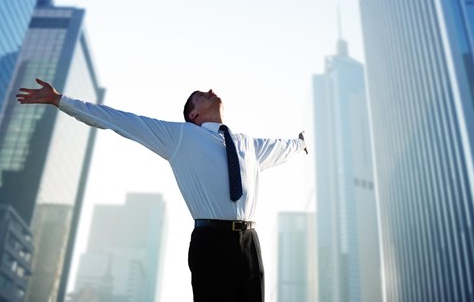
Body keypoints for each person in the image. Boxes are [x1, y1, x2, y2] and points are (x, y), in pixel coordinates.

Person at [16, 78, 308, 302]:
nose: (208, 90)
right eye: (199, 96)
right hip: (211, 241)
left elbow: (284, 148)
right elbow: (118, 120)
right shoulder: (179, 137)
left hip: (249, 243)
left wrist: (301, 144)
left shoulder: (249, 145)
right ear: (193, 115)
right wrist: (60, 100)